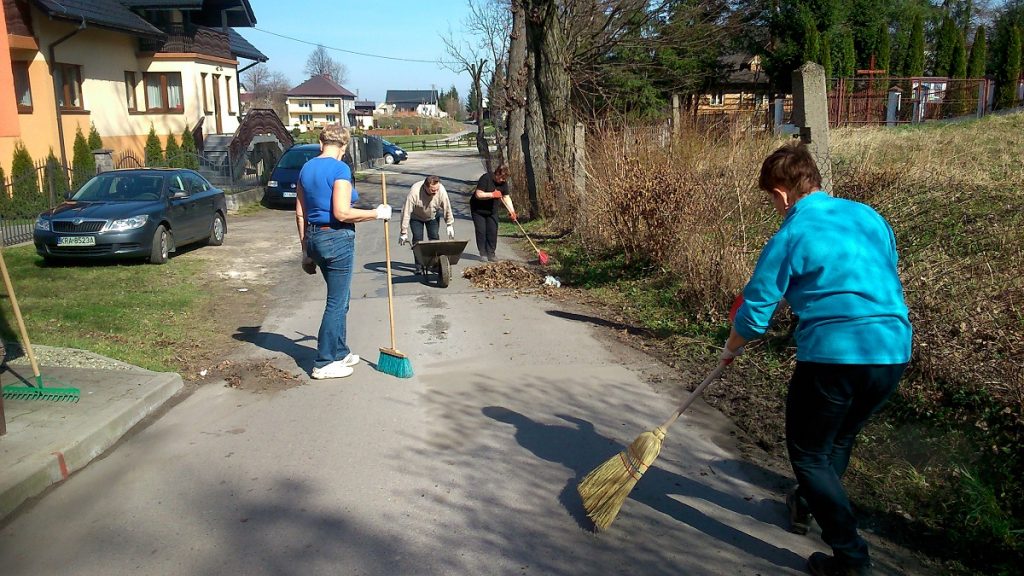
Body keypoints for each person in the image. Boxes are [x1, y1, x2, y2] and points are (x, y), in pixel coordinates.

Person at [722, 143, 912, 576]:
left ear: (782, 193)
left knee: (809, 455)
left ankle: (852, 559)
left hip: (834, 356)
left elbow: (754, 313)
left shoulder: (791, 234)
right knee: (838, 441)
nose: (775, 208)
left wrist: (731, 347)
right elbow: (883, 271)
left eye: (772, 200)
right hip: (892, 349)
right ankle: (806, 503)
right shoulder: (869, 217)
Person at [295, 124, 392, 380]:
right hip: (336, 238)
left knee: (342, 296)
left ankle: (339, 351)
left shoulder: (306, 168)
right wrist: (376, 213)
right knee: (336, 302)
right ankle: (324, 362)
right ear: (345, 146)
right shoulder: (340, 169)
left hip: (314, 237)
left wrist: (305, 250)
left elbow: (300, 213)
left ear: (321, 143)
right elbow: (342, 213)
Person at [399, 175, 455, 275]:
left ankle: (435, 264)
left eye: (437, 189)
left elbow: (447, 207)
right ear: (425, 187)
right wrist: (403, 232)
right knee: (418, 240)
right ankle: (419, 266)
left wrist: (449, 224)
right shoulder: (415, 192)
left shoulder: (441, 190)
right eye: (433, 190)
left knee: (434, 238)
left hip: (432, 216)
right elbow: (406, 211)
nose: (436, 192)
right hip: (416, 217)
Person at [470, 165, 516, 261]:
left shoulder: (503, 184)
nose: (503, 180)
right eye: (502, 178)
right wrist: (492, 194)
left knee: (492, 231)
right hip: (478, 210)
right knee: (481, 231)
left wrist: (512, 211)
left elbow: (506, 197)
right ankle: (483, 253)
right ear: (497, 173)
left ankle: (491, 254)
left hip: (492, 210)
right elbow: (478, 194)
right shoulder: (486, 178)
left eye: (505, 179)